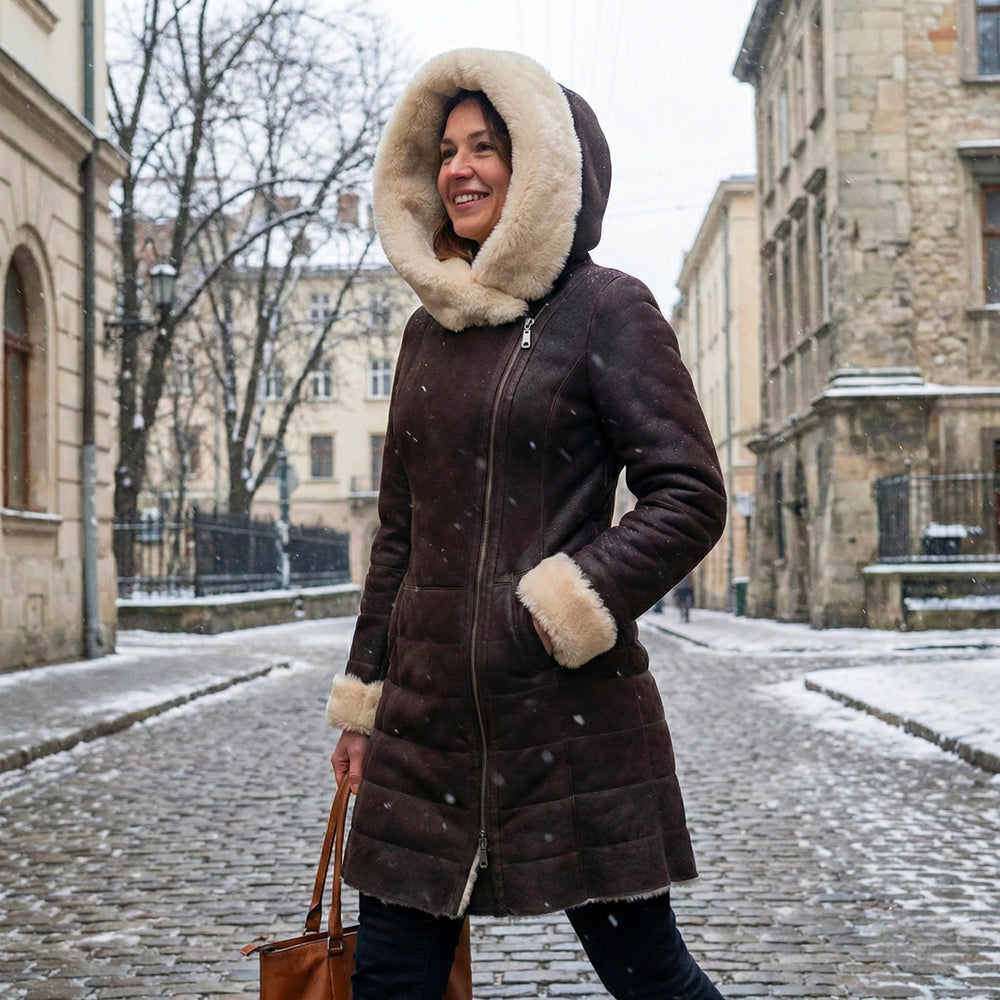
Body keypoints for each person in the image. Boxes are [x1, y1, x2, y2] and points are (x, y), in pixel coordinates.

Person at [328, 48, 729, 1000]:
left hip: (566, 717)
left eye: (486, 147)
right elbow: (400, 533)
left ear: (544, 165)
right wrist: (365, 695)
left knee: (648, 976)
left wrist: (563, 601)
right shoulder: (428, 328)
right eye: (447, 149)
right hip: (421, 729)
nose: (458, 168)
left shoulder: (606, 310)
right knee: (389, 977)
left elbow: (689, 494)